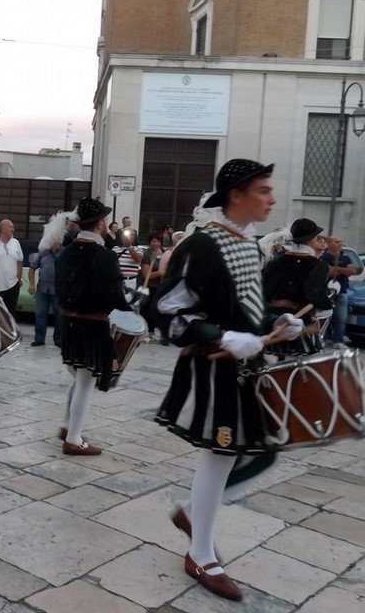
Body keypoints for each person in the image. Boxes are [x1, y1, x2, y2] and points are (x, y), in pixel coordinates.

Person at [155, 159, 303, 602]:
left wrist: (278, 322)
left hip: (244, 369)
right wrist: (221, 336)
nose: (271, 199)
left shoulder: (248, 244)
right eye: (262, 190)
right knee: (221, 456)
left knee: (262, 453)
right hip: (214, 367)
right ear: (235, 195)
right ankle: (201, 552)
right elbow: (165, 309)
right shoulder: (202, 245)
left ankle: (191, 516)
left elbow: (246, 311)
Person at [56, 197, 132, 456]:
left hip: (68, 323)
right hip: (92, 326)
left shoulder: (65, 253)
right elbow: (114, 297)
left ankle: (68, 426)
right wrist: (132, 301)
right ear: (100, 224)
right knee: (86, 382)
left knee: (79, 377)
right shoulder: (104, 255)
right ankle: (74, 439)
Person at [262, 218, 331, 356]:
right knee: (304, 371)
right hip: (297, 325)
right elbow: (314, 296)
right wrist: (327, 303)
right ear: (311, 240)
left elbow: (265, 291)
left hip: (272, 323)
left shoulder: (277, 261)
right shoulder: (318, 265)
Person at [322, 235, 358, 348]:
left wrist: (336, 269)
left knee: (342, 316)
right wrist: (343, 270)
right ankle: (326, 337)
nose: (340, 244)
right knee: (326, 315)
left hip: (342, 290)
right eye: (337, 242)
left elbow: (352, 270)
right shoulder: (324, 257)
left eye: (341, 241)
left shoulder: (346, 257)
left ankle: (338, 340)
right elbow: (328, 271)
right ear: (329, 244)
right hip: (326, 291)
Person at [28, 234, 61, 347]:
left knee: (59, 316)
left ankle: (59, 339)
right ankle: (39, 339)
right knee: (40, 315)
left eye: (54, 239)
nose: (52, 241)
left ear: (59, 240)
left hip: (58, 290)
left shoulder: (64, 253)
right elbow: (32, 268)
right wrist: (31, 285)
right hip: (42, 288)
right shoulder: (43, 252)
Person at [139, 232, 165, 340]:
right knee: (145, 309)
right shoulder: (146, 253)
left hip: (158, 287)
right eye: (154, 241)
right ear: (149, 242)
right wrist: (160, 273)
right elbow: (145, 275)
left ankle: (152, 331)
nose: (156, 243)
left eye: (158, 241)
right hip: (147, 286)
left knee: (154, 309)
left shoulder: (163, 253)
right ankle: (143, 331)